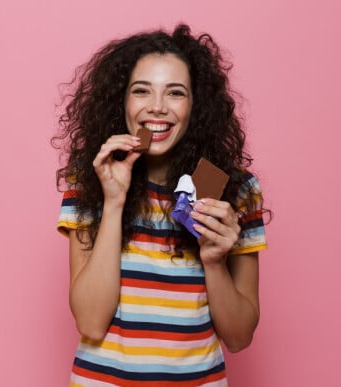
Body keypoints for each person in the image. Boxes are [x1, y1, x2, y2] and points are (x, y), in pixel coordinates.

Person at [53, 23, 269, 386]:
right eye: (141, 91)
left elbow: (239, 337)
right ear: (121, 101)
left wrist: (214, 260)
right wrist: (115, 200)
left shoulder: (233, 191)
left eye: (175, 93)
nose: (157, 108)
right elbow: (90, 321)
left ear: (196, 106)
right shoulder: (91, 180)